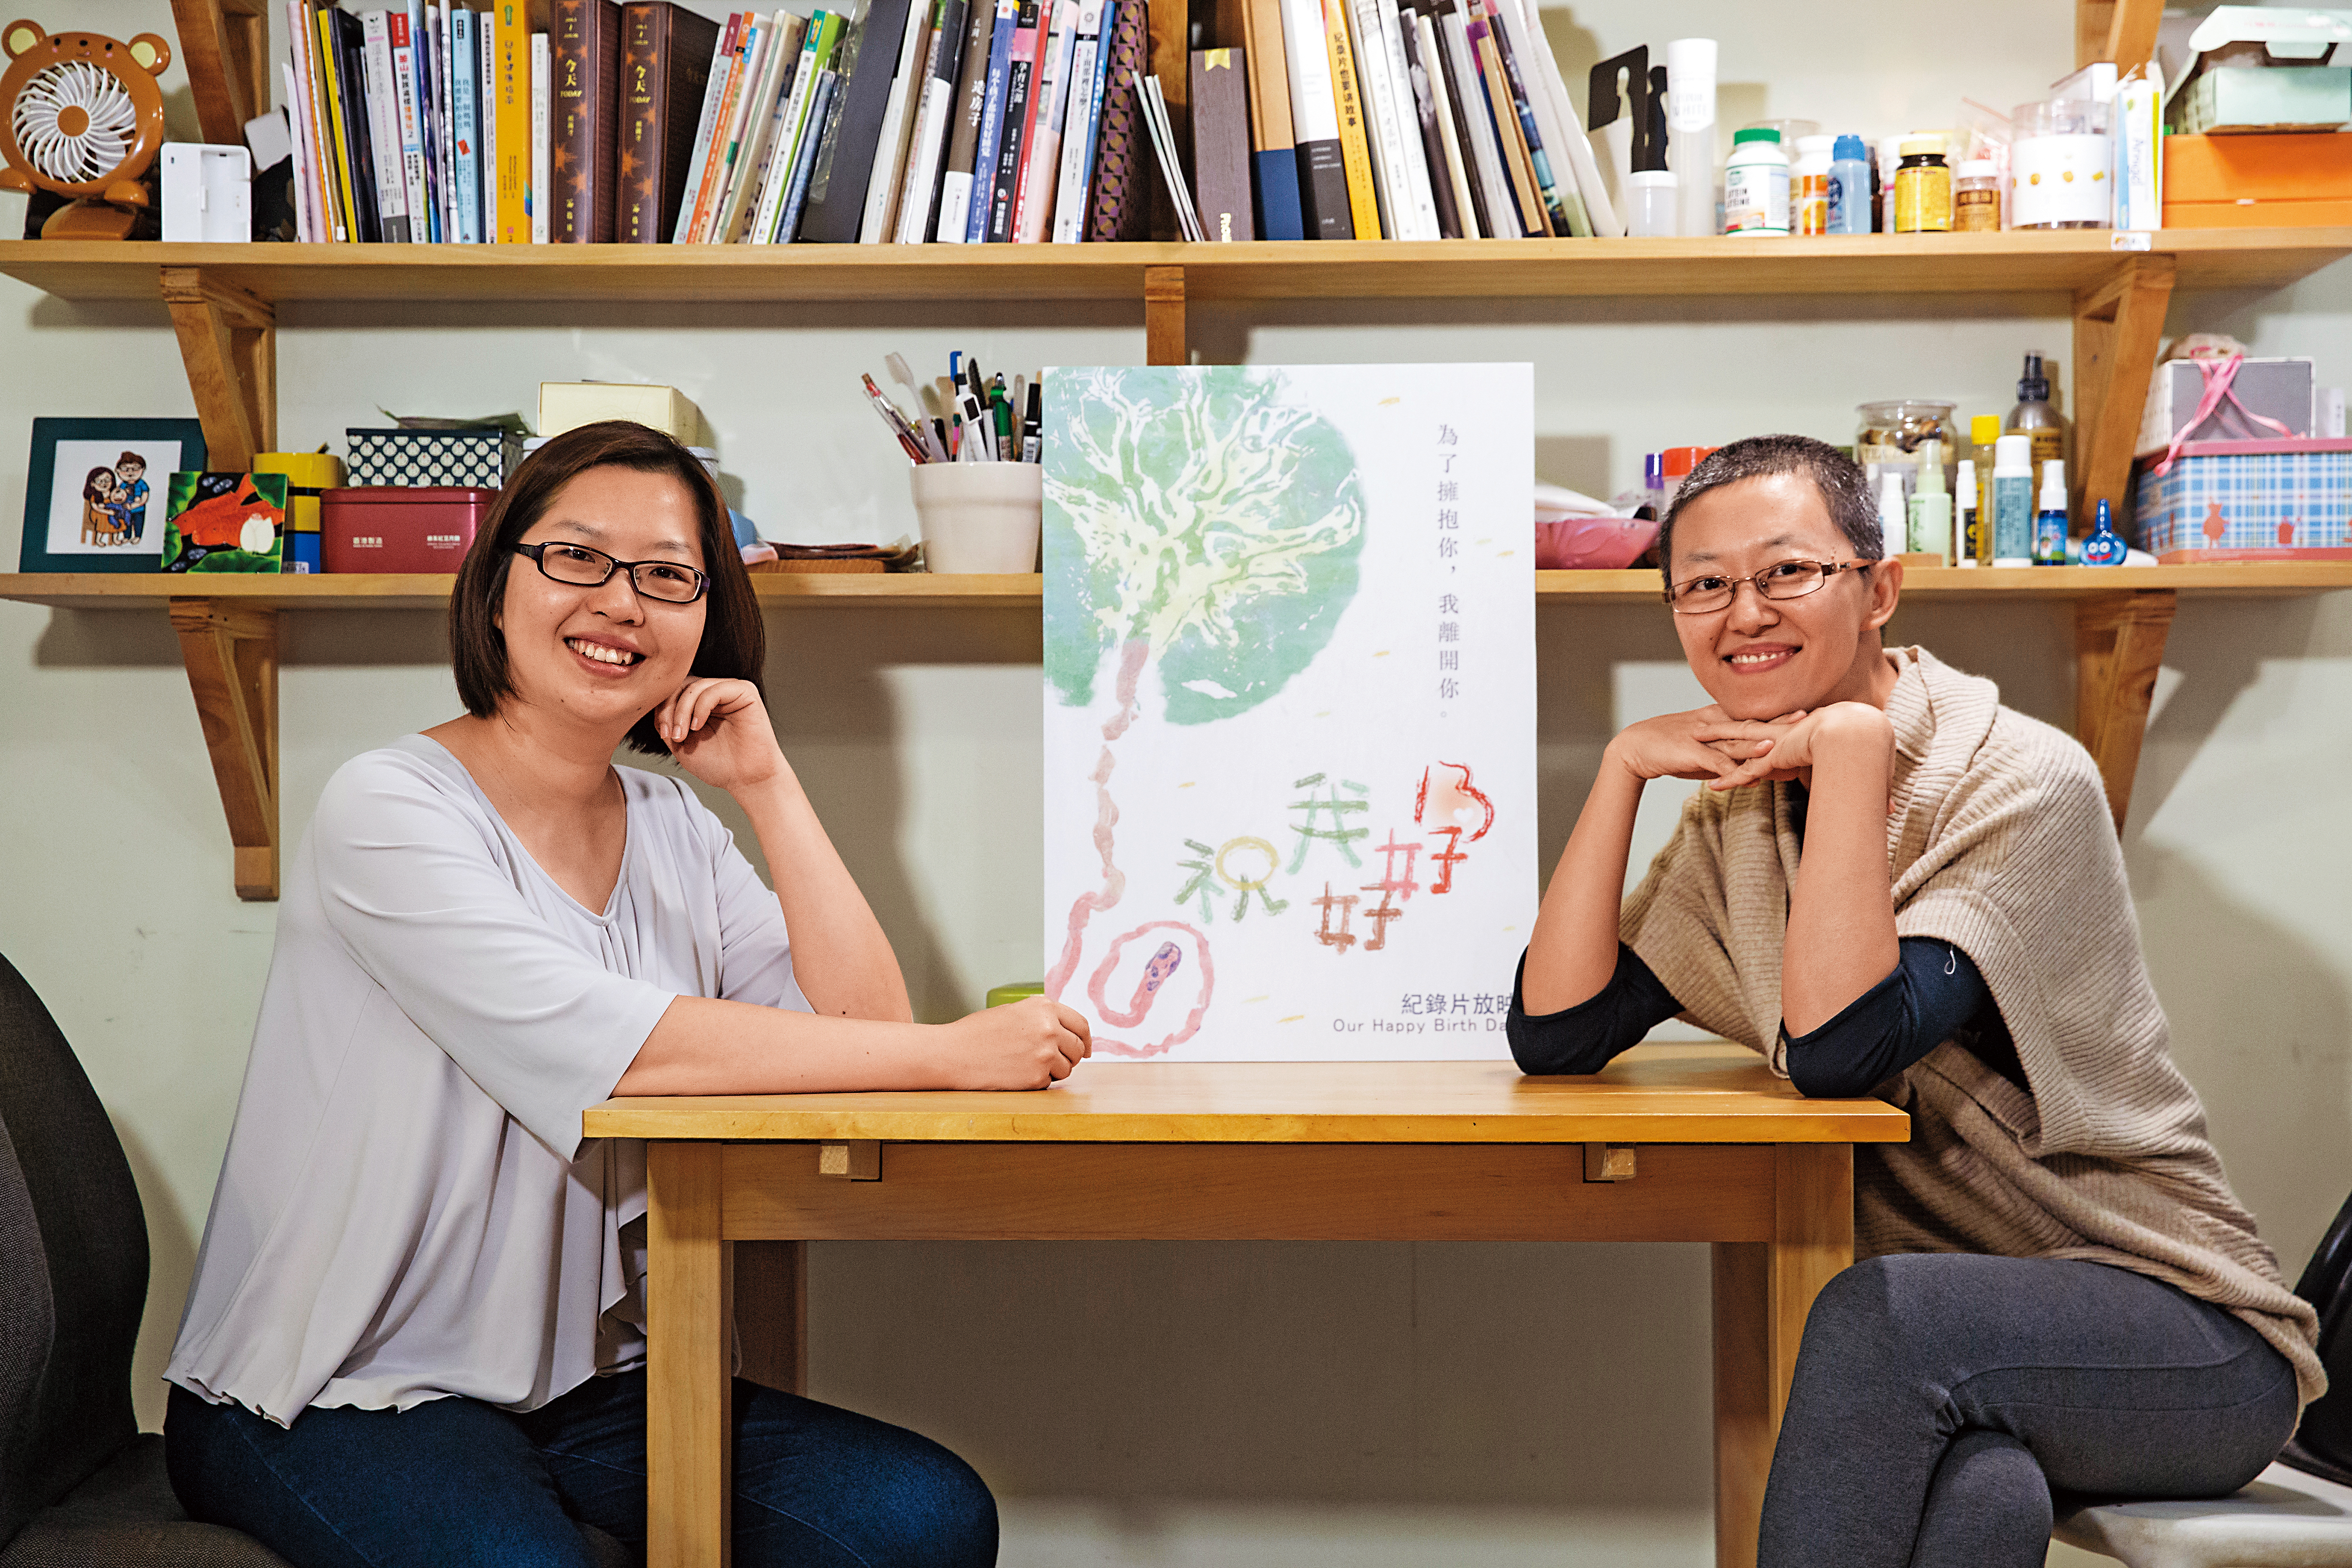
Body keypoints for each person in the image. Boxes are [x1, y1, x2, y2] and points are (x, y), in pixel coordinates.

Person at [163, 420, 1093, 1568]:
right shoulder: (390, 807)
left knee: (920, 1517)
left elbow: (865, 1038)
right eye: (577, 558)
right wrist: (957, 1054)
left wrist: (769, 785)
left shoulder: (674, 829)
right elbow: (626, 1048)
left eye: (667, 575)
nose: (621, 602)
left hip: (582, 1390)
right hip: (337, 1387)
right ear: (497, 584)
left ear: (707, 618)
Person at [1508, 435, 2323, 1566]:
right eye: (1704, 586)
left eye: (1787, 571)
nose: (1744, 612)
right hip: (1988, 1341)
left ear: (1880, 587)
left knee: (1880, 1320)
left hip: (2187, 1331)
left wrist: (1853, 750)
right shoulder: (1739, 817)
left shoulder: (2021, 781)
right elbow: (1556, 1033)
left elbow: (1842, 1044)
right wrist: (1621, 771)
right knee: (1983, 1496)